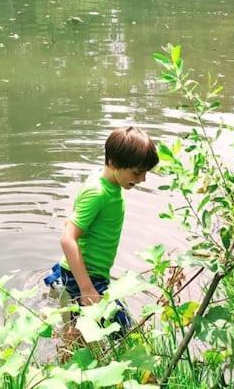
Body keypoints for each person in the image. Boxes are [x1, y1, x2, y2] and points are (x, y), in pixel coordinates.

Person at [45, 126, 159, 340]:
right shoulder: (99, 192)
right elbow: (67, 238)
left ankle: (69, 333)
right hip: (87, 276)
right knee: (125, 334)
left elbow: (78, 217)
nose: (143, 179)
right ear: (114, 163)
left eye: (145, 172)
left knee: (81, 330)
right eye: (136, 172)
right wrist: (87, 288)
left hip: (92, 272)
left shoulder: (105, 181)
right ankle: (68, 342)